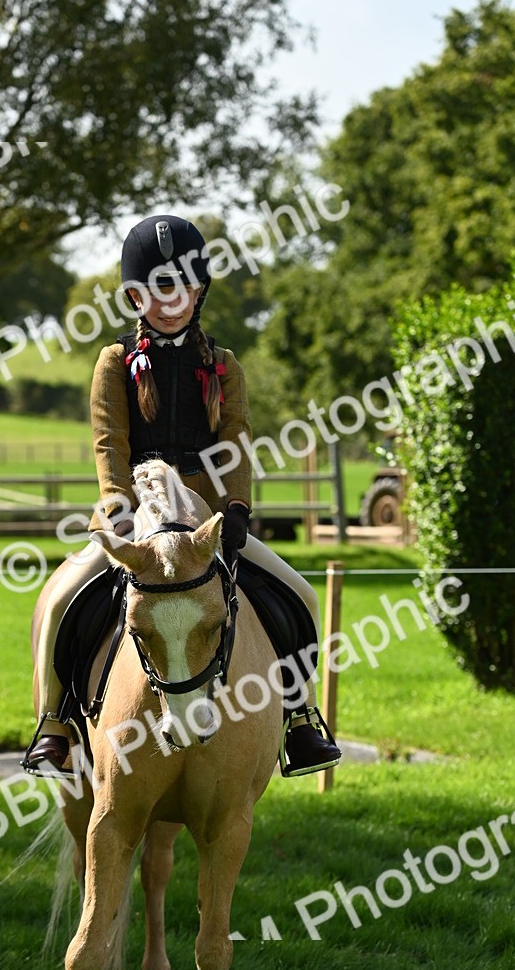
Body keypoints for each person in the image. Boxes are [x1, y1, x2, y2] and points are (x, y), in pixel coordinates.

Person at [24, 214, 341, 777]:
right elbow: (109, 441)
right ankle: (55, 722)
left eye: (181, 288)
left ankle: (300, 719)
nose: (169, 301)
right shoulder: (114, 362)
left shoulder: (223, 365)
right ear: (134, 296)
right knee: (59, 602)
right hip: (134, 515)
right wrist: (117, 506)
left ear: (199, 292)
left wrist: (236, 508)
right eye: (156, 289)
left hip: (206, 522)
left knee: (302, 595)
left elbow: (236, 439)